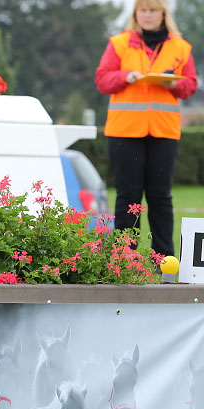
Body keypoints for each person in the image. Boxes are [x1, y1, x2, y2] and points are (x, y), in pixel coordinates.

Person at [95, 0, 197, 257]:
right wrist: (124, 76)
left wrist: (172, 84)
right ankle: (124, 260)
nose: (148, 15)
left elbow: (191, 85)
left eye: (153, 10)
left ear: (163, 14)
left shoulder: (181, 47)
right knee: (128, 196)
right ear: (135, 14)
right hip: (124, 132)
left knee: (160, 197)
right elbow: (102, 80)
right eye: (143, 10)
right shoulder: (118, 43)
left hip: (163, 133)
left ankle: (164, 262)